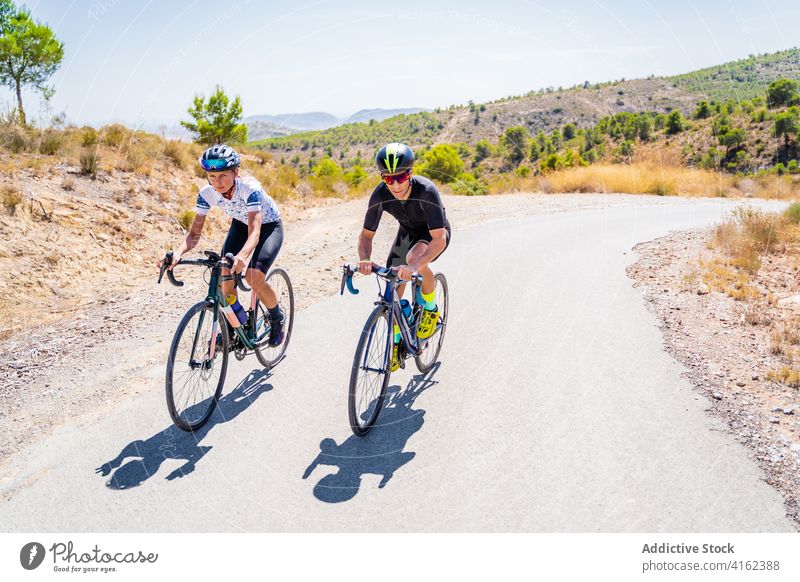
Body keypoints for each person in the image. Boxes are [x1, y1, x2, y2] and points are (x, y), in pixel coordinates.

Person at [161, 144, 285, 346]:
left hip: (268, 227)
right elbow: (193, 235)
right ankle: (233, 325)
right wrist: (177, 253)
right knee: (224, 276)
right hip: (240, 225)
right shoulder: (206, 193)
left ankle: (277, 317)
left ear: (235, 172)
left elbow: (255, 232)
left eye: (223, 176)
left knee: (253, 276)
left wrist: (243, 257)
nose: (217, 182)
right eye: (212, 176)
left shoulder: (249, 189)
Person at [357, 142, 451, 371]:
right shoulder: (380, 195)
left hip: (434, 234)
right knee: (392, 291)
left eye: (400, 177)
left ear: (410, 173)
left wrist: (417, 265)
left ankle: (429, 308)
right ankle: (398, 343)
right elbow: (366, 235)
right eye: (389, 179)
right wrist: (364, 260)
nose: (395, 184)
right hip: (407, 233)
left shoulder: (426, 191)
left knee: (413, 259)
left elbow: (439, 238)